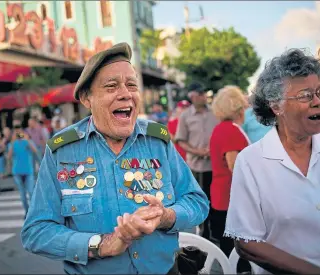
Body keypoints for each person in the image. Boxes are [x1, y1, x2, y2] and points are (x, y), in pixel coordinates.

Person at [21, 42, 209, 275]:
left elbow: (197, 202)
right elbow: (36, 231)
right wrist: (101, 245)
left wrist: (165, 216)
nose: (126, 94)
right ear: (87, 98)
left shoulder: (157, 142)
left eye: (132, 85)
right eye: (111, 86)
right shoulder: (62, 151)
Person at [224, 49, 320, 274]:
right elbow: (246, 242)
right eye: (305, 95)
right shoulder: (251, 162)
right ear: (276, 105)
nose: (319, 102)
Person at [209, 86, 250, 257]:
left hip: (222, 195)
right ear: (238, 107)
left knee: (228, 248)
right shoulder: (230, 130)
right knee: (235, 252)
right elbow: (235, 167)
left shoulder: (220, 128)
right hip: (230, 198)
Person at [175, 83, 218, 240]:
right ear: (192, 96)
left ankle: (215, 232)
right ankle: (203, 233)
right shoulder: (185, 116)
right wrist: (198, 151)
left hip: (216, 166)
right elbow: (181, 140)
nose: (203, 96)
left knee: (216, 201)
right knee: (201, 200)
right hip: (197, 166)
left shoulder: (215, 112)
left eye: (203, 93)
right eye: (199, 94)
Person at [8, 124, 37, 217]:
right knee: (22, 194)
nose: (18, 135)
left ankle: (32, 212)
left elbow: (35, 151)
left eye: (20, 132)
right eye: (16, 133)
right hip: (17, 171)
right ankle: (27, 211)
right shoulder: (12, 144)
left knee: (31, 192)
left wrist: (27, 139)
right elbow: (9, 156)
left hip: (28, 171)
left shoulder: (27, 142)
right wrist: (12, 142)